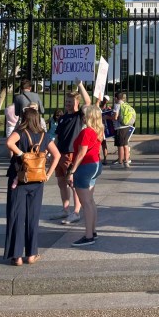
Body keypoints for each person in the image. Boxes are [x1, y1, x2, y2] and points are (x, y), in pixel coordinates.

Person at [4, 108, 60, 265]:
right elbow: (57, 155)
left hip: (19, 179)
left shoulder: (21, 132)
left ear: (24, 119)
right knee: (33, 218)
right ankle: (32, 254)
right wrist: (48, 174)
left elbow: (9, 143)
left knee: (16, 216)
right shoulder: (44, 135)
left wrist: (21, 154)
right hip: (37, 180)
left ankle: (17, 256)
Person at [52, 80, 91, 224]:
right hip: (60, 153)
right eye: (67, 101)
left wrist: (80, 85)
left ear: (77, 103)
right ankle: (65, 209)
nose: (68, 103)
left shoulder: (79, 116)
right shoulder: (62, 117)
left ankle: (76, 212)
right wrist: (52, 154)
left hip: (70, 153)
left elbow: (88, 101)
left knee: (73, 184)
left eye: (71, 101)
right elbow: (57, 137)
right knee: (61, 183)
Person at [66, 104, 104, 247]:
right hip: (95, 164)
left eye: (84, 114)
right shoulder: (98, 130)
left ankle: (88, 236)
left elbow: (81, 153)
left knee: (86, 203)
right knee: (90, 201)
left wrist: (72, 171)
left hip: (86, 166)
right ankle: (92, 231)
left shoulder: (86, 132)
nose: (82, 116)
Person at [112, 92, 135, 168]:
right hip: (127, 126)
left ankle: (120, 162)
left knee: (120, 145)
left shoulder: (117, 105)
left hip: (120, 128)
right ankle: (126, 161)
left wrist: (107, 117)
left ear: (116, 98)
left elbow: (115, 117)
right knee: (125, 144)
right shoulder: (126, 105)